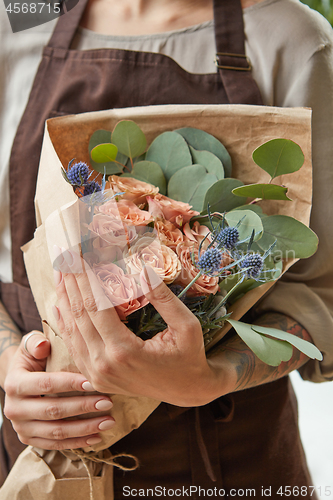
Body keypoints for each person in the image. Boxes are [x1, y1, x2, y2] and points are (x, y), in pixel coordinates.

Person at [1, 0, 333, 496]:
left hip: (225, 459)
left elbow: (324, 292)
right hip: (41, 458)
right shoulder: (18, 16)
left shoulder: (290, 37)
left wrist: (211, 378)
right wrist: (12, 365)